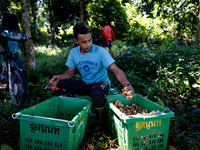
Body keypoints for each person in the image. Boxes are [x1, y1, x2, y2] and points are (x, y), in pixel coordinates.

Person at [50, 22, 134, 132]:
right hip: (85, 83)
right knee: (59, 84)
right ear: (76, 41)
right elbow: (70, 73)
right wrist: (58, 78)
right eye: (84, 42)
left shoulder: (101, 51)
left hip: (101, 82)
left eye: (90, 40)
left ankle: (100, 121)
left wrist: (127, 85)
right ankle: (70, 113)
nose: (88, 44)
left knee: (97, 93)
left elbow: (116, 69)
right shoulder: (73, 53)